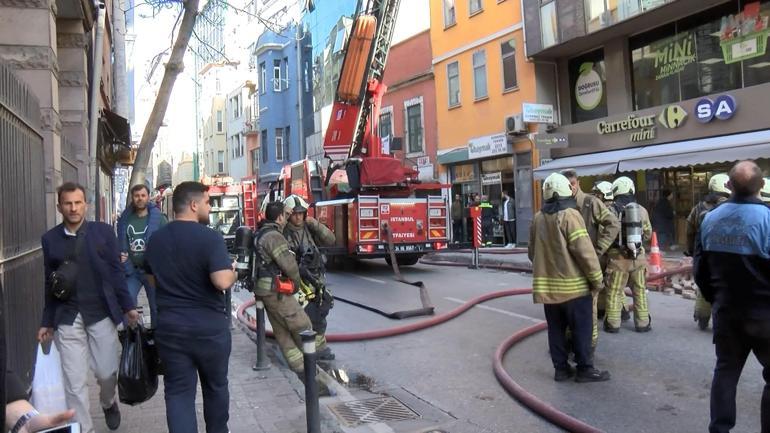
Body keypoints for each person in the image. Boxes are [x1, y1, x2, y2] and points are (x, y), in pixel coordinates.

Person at [38, 182, 140, 433]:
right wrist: (47, 321)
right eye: (68, 203)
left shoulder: (104, 233)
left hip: (101, 312)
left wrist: (128, 307)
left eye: (78, 202)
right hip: (67, 315)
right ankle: (84, 429)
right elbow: (49, 283)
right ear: (59, 205)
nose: (73, 208)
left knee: (107, 373)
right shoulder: (50, 239)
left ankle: (108, 402)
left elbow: (117, 273)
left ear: (86, 204)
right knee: (74, 383)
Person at [143, 181, 235, 433]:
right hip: (209, 331)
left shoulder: (156, 240)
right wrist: (233, 272)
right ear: (194, 205)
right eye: (207, 202)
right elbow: (221, 281)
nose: (209, 207)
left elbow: (151, 279)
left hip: (171, 330)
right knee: (215, 388)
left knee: (178, 394)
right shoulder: (211, 238)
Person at [694, 160, 770, 433]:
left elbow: (700, 270)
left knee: (725, 372)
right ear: (761, 186)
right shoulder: (768, 219)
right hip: (764, 316)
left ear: (728, 185)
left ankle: (720, 429)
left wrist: (716, 300)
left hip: (726, 312)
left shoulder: (710, 219)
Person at [528, 173, 610, 383]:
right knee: (581, 329)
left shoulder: (538, 218)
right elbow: (585, 252)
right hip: (575, 290)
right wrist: (597, 280)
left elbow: (531, 253)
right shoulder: (570, 215)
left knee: (555, 330)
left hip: (548, 290)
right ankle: (584, 369)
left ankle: (561, 370)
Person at [561, 170, 621, 350]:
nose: (571, 188)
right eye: (567, 185)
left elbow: (613, 223)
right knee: (568, 306)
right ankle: (570, 343)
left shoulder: (590, 203)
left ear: (578, 182)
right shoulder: (561, 205)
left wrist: (599, 249)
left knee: (589, 307)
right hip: (568, 265)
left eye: (573, 183)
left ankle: (589, 347)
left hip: (588, 264)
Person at [253, 201, 313, 374]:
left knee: (282, 332)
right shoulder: (274, 236)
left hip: (263, 290)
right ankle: (309, 365)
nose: (288, 218)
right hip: (275, 291)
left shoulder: (261, 233)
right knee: (302, 325)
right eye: (286, 215)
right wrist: (295, 286)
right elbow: (289, 266)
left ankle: (299, 367)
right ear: (279, 217)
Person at [282, 195, 336, 361]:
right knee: (303, 316)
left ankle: (317, 347)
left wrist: (316, 224)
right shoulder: (283, 232)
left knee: (321, 309)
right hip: (297, 280)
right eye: (295, 214)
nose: (298, 217)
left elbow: (331, 240)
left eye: (301, 213)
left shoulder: (309, 227)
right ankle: (305, 348)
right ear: (288, 214)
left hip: (315, 278)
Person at [603, 176, 653, 333]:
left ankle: (612, 324)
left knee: (615, 292)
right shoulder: (641, 210)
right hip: (638, 258)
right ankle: (643, 323)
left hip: (618, 260)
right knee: (640, 291)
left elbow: (605, 234)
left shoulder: (610, 210)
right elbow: (648, 233)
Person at [116, 183, 168, 328]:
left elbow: (169, 241)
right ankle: (130, 339)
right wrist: (119, 255)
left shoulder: (159, 219)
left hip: (151, 273)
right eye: (136, 196)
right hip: (132, 271)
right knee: (126, 303)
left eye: (143, 195)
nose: (140, 199)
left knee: (155, 307)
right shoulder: (125, 220)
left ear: (148, 197)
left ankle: (157, 340)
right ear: (132, 198)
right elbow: (119, 243)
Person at [685, 173, 730, 331]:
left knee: (704, 284)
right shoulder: (732, 206)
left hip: (703, 252)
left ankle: (702, 318)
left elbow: (689, 229)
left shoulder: (699, 207)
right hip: (725, 254)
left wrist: (691, 250)